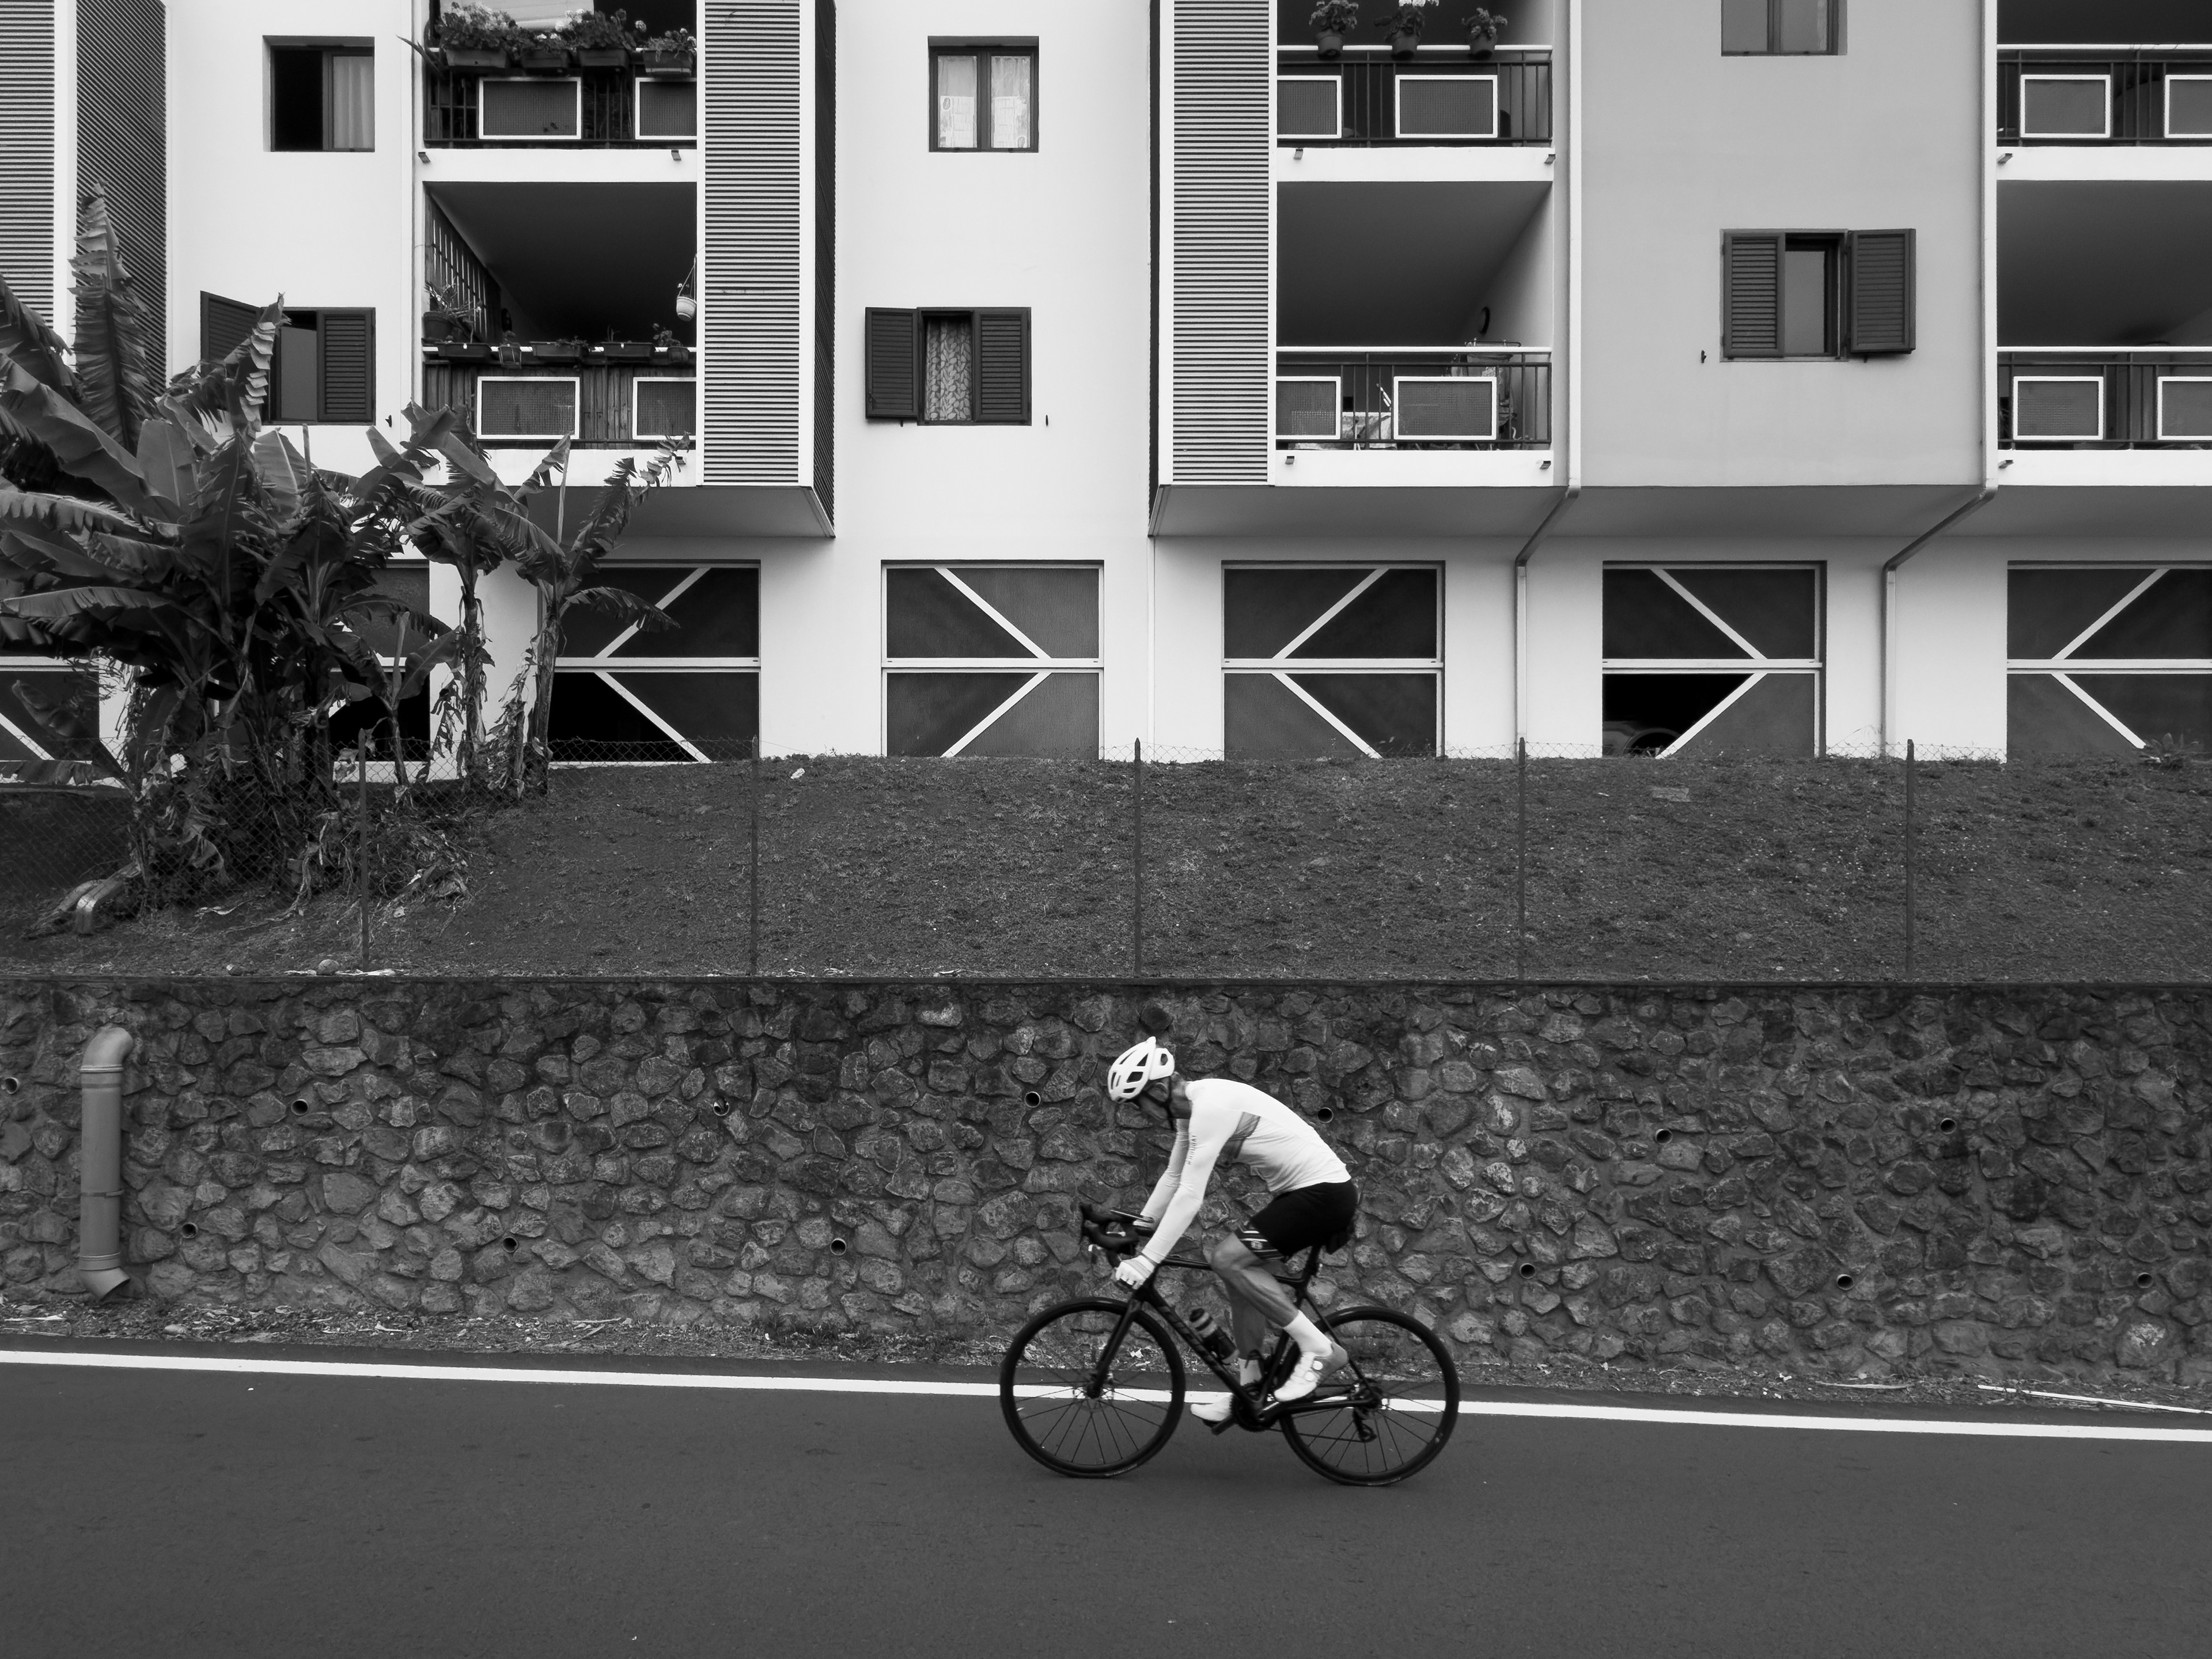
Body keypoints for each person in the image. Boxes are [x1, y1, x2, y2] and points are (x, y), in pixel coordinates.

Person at [1104, 1036, 1358, 1423]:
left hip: (1324, 1193)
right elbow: (1174, 1176)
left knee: (1227, 1259)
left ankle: (1321, 1350)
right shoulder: (1191, 1111)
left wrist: (1147, 1261)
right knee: (1240, 1277)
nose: (1141, 1113)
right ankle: (1252, 1386)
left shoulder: (1211, 1107)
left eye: (1138, 1103)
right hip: (1304, 1193)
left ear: (1158, 1091)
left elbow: (1191, 1194)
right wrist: (1138, 1228)